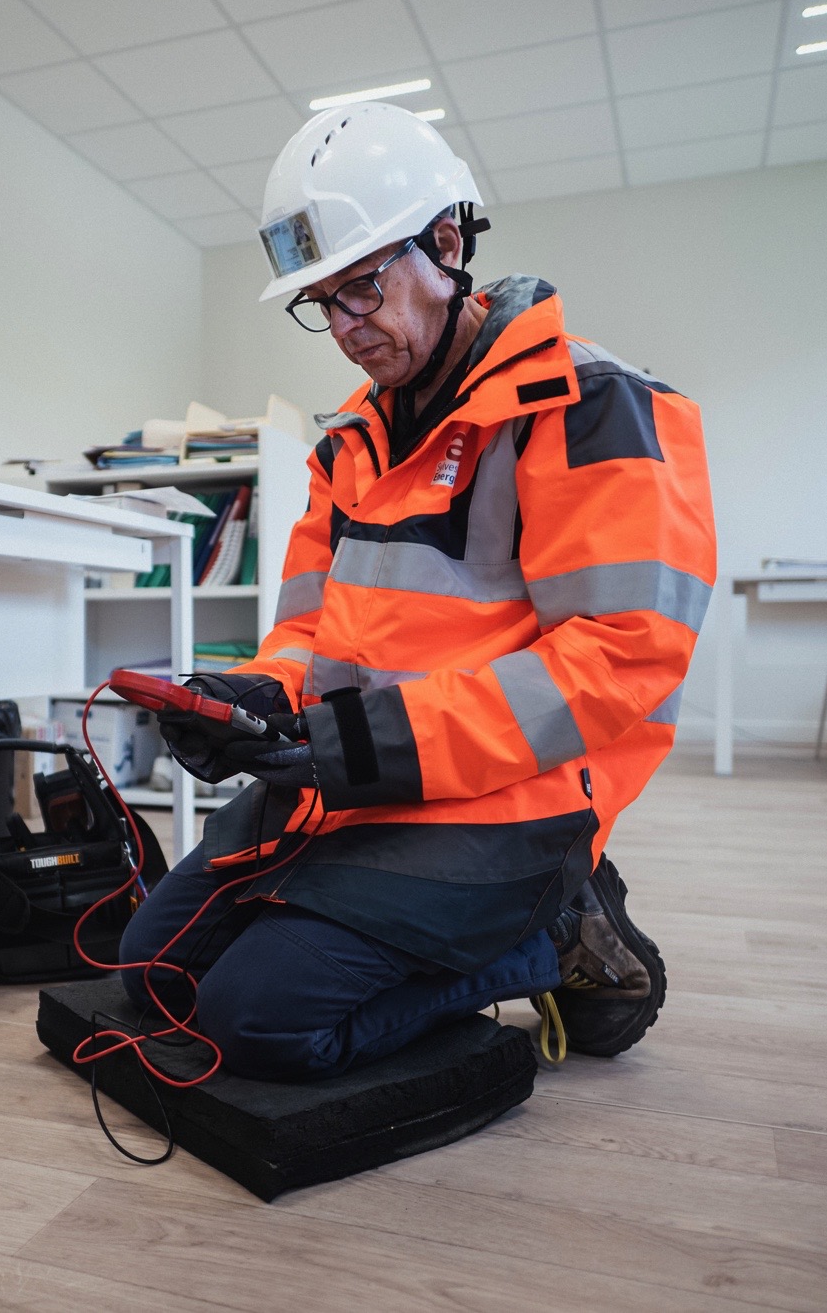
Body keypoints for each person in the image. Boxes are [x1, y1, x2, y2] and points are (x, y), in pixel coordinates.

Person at [116, 103, 717, 1081]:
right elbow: (308, 631)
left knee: (250, 1022)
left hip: (504, 798)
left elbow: (621, 657)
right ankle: (471, 927)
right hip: (357, 782)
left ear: (446, 244)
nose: (347, 330)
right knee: (149, 972)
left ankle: (554, 934)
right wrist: (254, 700)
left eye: (362, 288)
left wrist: (366, 743)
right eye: (324, 300)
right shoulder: (346, 439)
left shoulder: (594, 404)